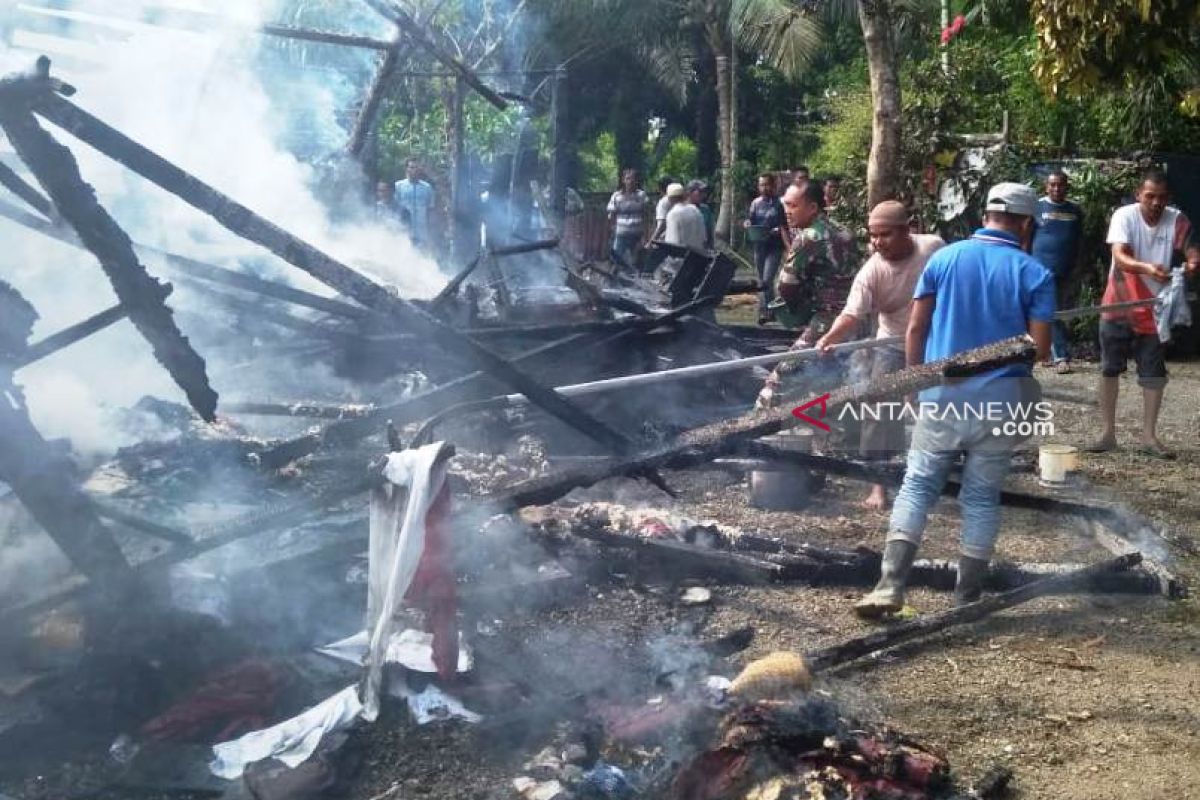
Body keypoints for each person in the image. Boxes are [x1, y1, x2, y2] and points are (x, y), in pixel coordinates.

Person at [855, 183, 1054, 617]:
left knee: (918, 486)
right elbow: (1038, 349)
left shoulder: (943, 258)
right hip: (1002, 400)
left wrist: (915, 383)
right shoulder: (1034, 273)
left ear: (987, 216)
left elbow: (915, 329)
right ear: (1024, 223)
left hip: (942, 396)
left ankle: (889, 586)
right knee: (981, 498)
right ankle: (966, 599)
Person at [814, 201, 945, 510]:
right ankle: (879, 487)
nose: (876, 242)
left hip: (936, 341)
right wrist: (829, 338)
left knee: (942, 407)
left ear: (906, 229)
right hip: (891, 343)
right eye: (872, 235)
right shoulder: (871, 271)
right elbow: (852, 314)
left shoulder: (934, 248)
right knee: (879, 411)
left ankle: (939, 476)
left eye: (884, 234)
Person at [1088, 169, 1194, 458]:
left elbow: (1191, 248)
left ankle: (1149, 436)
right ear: (1139, 195)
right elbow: (1119, 256)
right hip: (1118, 305)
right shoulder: (1125, 215)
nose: (1156, 202)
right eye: (1150, 196)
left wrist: (1194, 262)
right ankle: (1108, 433)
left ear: (1168, 198)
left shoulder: (1177, 218)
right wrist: (1148, 268)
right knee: (1109, 368)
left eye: (1161, 197)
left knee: (1153, 373)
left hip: (1155, 309)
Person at [769, 181, 856, 342]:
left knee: (790, 366)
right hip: (854, 315)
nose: (787, 212)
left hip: (826, 318)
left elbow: (786, 285)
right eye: (786, 205)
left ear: (813, 208)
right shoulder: (844, 231)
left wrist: (796, 306)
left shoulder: (809, 237)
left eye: (793, 206)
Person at [1030, 169, 1084, 374]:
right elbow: (1027, 236)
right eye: (1052, 184)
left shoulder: (1075, 211)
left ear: (1066, 186)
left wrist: (1078, 268)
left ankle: (1045, 353)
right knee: (1048, 310)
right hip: (1039, 271)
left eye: (1060, 184)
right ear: (1046, 186)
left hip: (1065, 272)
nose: (1056, 188)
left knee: (1056, 312)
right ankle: (1059, 356)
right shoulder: (1037, 208)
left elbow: (1079, 241)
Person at [745, 173, 786, 325]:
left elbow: (784, 226)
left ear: (773, 186)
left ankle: (765, 311)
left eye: (767, 184)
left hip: (774, 246)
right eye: (761, 185)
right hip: (759, 246)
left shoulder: (779, 203)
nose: (764, 188)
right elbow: (750, 219)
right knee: (761, 281)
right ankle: (771, 311)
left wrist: (775, 231)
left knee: (768, 279)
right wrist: (747, 224)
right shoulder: (755, 203)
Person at [606, 168, 649, 271]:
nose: (630, 181)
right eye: (628, 178)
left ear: (637, 181)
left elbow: (646, 215)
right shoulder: (616, 196)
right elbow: (611, 215)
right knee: (616, 258)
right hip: (621, 233)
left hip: (637, 234)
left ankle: (638, 283)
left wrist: (645, 235)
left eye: (633, 179)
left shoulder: (641, 195)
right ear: (623, 180)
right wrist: (612, 230)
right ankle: (612, 282)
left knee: (638, 261)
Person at [395, 159, 435, 247]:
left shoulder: (427, 188)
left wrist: (431, 232)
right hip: (405, 230)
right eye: (412, 167)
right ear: (407, 169)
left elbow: (430, 210)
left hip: (422, 231)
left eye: (417, 167)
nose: (415, 170)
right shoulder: (398, 186)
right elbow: (395, 207)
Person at [663, 180, 708, 252]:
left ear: (670, 198)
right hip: (698, 257)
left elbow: (672, 243)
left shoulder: (673, 214)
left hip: (681, 259)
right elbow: (703, 238)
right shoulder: (696, 210)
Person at [696, 182, 716, 250]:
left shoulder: (706, 209)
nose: (703, 195)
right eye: (700, 192)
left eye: (704, 192)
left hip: (703, 248)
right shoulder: (684, 209)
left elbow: (710, 230)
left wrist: (711, 247)